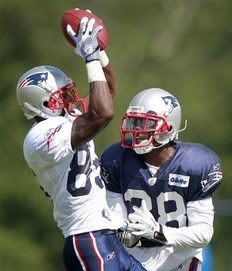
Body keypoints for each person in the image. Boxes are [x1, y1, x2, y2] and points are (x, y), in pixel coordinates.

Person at [16, 16, 146, 271]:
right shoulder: (40, 137)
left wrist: (98, 54)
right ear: (42, 103)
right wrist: (89, 59)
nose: (71, 99)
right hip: (87, 237)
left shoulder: (63, 121)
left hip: (105, 233)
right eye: (63, 95)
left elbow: (106, 91)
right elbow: (103, 114)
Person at [100, 88, 223, 271]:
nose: (135, 131)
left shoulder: (194, 164)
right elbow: (114, 217)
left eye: (144, 124)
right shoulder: (116, 159)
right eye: (133, 122)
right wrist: (123, 231)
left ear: (168, 127)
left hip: (180, 257)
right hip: (133, 257)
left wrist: (159, 232)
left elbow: (203, 234)